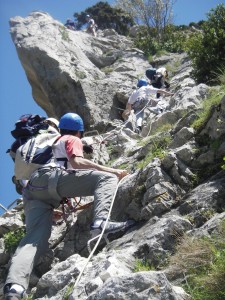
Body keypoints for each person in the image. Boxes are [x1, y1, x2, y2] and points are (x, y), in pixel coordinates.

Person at [4, 112, 132, 300]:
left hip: (32, 191)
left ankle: (14, 287)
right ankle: (101, 224)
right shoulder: (69, 138)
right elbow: (77, 162)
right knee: (105, 179)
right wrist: (114, 171)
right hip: (52, 179)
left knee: (32, 240)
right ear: (78, 132)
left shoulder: (37, 145)